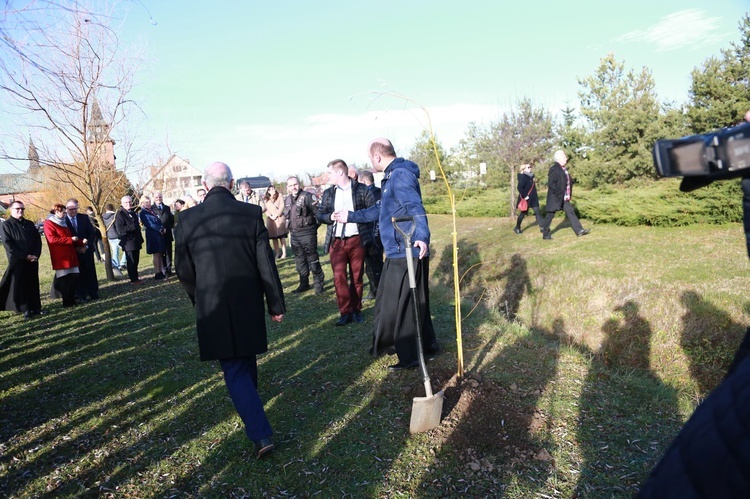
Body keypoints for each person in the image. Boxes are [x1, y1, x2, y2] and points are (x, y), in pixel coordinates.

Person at [174, 161, 285, 460]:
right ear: (232, 183)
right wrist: (275, 303)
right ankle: (258, 424)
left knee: (237, 365)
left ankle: (259, 431)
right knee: (241, 362)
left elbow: (182, 270)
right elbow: (266, 264)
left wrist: (198, 297)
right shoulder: (249, 213)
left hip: (212, 303)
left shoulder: (187, 219)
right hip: (246, 298)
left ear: (206, 185)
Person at [333, 138, 439, 370]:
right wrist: (350, 216)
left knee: (402, 305)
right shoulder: (391, 176)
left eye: (371, 158)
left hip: (406, 247)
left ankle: (410, 356)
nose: (371, 162)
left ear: (377, 157)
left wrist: (422, 236)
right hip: (397, 249)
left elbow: (415, 206)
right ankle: (428, 345)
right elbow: (381, 209)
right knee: (410, 301)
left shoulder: (399, 175)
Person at [317, 159, 376, 326]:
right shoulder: (329, 193)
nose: (327, 176)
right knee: (339, 277)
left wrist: (356, 217)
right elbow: (319, 214)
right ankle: (345, 312)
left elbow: (373, 211)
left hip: (357, 239)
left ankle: (357, 310)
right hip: (337, 242)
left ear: (340, 172)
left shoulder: (361, 189)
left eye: (330, 173)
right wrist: (329, 217)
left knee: (357, 277)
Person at [0, 201, 42, 319]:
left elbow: (37, 240)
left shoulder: (29, 223)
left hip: (32, 259)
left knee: (33, 283)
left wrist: (35, 255)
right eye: (18, 209)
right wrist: (25, 256)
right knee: (21, 285)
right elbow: (8, 244)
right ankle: (26, 309)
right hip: (18, 260)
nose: (20, 211)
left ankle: (36, 308)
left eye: (22, 209)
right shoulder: (6, 225)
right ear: (11, 210)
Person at [283, 176, 325, 294]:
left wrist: (312, 229)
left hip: (308, 234)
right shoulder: (287, 200)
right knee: (300, 260)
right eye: (291, 185)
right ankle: (304, 283)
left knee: (312, 259)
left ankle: (318, 283)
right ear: (287, 188)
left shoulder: (307, 196)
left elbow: (319, 215)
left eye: (295, 184)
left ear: (299, 184)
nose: (294, 187)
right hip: (295, 235)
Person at [541, 150, 590, 240]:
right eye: (564, 157)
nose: (566, 158)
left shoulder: (563, 169)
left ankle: (579, 230)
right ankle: (545, 233)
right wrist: (559, 193)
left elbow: (567, 182)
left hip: (564, 197)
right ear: (559, 158)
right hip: (556, 197)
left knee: (570, 212)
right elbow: (551, 184)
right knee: (550, 215)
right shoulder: (554, 168)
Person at [44, 204, 83, 307]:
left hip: (70, 254)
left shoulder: (64, 222)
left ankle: (72, 298)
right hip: (60, 255)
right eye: (64, 212)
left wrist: (81, 242)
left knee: (74, 277)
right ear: (56, 212)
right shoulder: (49, 223)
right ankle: (67, 301)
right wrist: (70, 240)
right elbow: (52, 239)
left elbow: (70, 237)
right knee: (64, 279)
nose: (65, 214)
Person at [65, 199, 99, 301]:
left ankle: (93, 292)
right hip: (73, 252)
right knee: (78, 274)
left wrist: (86, 245)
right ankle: (81, 294)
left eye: (75, 209)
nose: (73, 211)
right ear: (66, 209)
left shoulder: (84, 218)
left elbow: (91, 233)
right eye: (71, 209)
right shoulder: (64, 221)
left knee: (90, 271)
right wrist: (76, 248)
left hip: (87, 250)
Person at [358, 170, 383, 300]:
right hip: (382, 232)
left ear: (363, 181)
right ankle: (378, 290)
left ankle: (377, 291)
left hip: (371, 232)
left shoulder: (367, 194)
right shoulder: (381, 191)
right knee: (376, 263)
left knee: (373, 264)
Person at [114, 195, 144, 285]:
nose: (128, 204)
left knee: (136, 260)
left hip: (136, 241)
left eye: (130, 202)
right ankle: (133, 279)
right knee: (131, 261)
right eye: (126, 202)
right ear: (122, 204)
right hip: (128, 242)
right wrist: (133, 227)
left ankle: (136, 277)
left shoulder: (133, 213)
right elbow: (120, 229)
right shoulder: (120, 214)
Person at [139, 196, 167, 280]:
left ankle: (160, 272)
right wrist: (160, 229)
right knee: (156, 254)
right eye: (146, 202)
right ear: (142, 203)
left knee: (159, 254)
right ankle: (157, 272)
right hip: (153, 235)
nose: (148, 203)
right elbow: (149, 224)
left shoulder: (151, 211)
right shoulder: (143, 212)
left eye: (149, 201)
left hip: (158, 235)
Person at [514, 164, 544, 234]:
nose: (530, 168)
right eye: (528, 167)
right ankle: (517, 227)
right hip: (526, 199)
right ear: (523, 169)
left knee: (537, 212)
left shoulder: (530, 176)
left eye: (530, 167)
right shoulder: (523, 177)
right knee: (523, 214)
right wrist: (525, 196)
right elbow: (519, 188)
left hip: (533, 198)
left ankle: (542, 227)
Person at [152, 192, 175, 276]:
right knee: (161, 253)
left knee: (169, 252)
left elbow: (171, 219)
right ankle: (163, 270)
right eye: (157, 197)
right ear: (154, 198)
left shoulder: (167, 208)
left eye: (160, 197)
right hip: (158, 235)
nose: (158, 198)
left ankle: (169, 269)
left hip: (168, 234)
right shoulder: (151, 209)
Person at [263, 185, 288, 259]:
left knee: (282, 236)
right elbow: (265, 209)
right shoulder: (266, 199)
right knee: (274, 238)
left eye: (273, 188)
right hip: (271, 220)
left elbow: (282, 206)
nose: (273, 190)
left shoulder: (279, 195)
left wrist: (277, 215)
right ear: (268, 191)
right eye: (271, 189)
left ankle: (284, 253)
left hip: (279, 218)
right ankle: (277, 253)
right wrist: (270, 216)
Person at [102, 203, 127, 273]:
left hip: (110, 237)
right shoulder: (115, 216)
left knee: (115, 251)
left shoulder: (103, 217)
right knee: (126, 249)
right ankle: (123, 263)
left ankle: (117, 265)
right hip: (117, 236)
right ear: (112, 208)